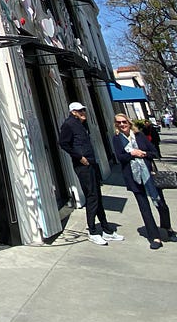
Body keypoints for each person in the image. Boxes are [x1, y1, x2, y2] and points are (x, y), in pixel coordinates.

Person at [58, 101, 124, 246]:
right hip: (83, 165)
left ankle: (106, 229)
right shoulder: (68, 125)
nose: (83, 113)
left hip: (92, 163)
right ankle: (92, 231)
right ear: (73, 112)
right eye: (80, 111)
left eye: (83, 110)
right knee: (92, 196)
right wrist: (79, 157)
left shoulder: (82, 125)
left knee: (97, 196)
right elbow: (63, 143)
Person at [112, 114, 176, 250]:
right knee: (144, 208)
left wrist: (144, 154)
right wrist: (132, 154)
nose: (122, 124)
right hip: (134, 178)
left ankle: (168, 228)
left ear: (129, 123)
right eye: (119, 123)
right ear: (116, 125)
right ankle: (155, 237)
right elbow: (120, 157)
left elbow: (154, 152)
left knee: (161, 204)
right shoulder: (117, 139)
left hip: (149, 175)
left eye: (124, 122)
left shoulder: (139, 136)